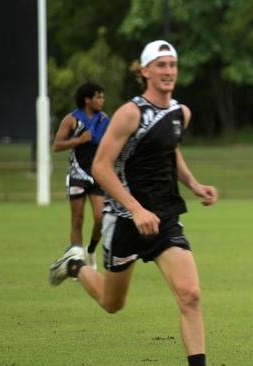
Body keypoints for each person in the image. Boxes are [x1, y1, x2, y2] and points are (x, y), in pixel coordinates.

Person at [48, 40, 218, 366]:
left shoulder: (181, 112)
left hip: (165, 217)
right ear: (145, 71)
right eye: (161, 65)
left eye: (172, 65)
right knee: (112, 303)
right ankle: (75, 265)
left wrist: (194, 184)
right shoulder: (130, 114)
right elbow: (100, 166)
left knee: (191, 295)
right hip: (124, 219)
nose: (168, 71)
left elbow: (171, 151)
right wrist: (136, 208)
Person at [52, 81, 110, 270]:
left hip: (98, 174)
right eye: (98, 97)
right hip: (77, 173)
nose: (102, 100)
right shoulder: (72, 119)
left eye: (102, 96)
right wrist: (79, 140)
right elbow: (56, 145)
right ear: (87, 100)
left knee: (101, 218)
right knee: (77, 219)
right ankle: (77, 264)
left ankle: (91, 249)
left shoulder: (105, 120)